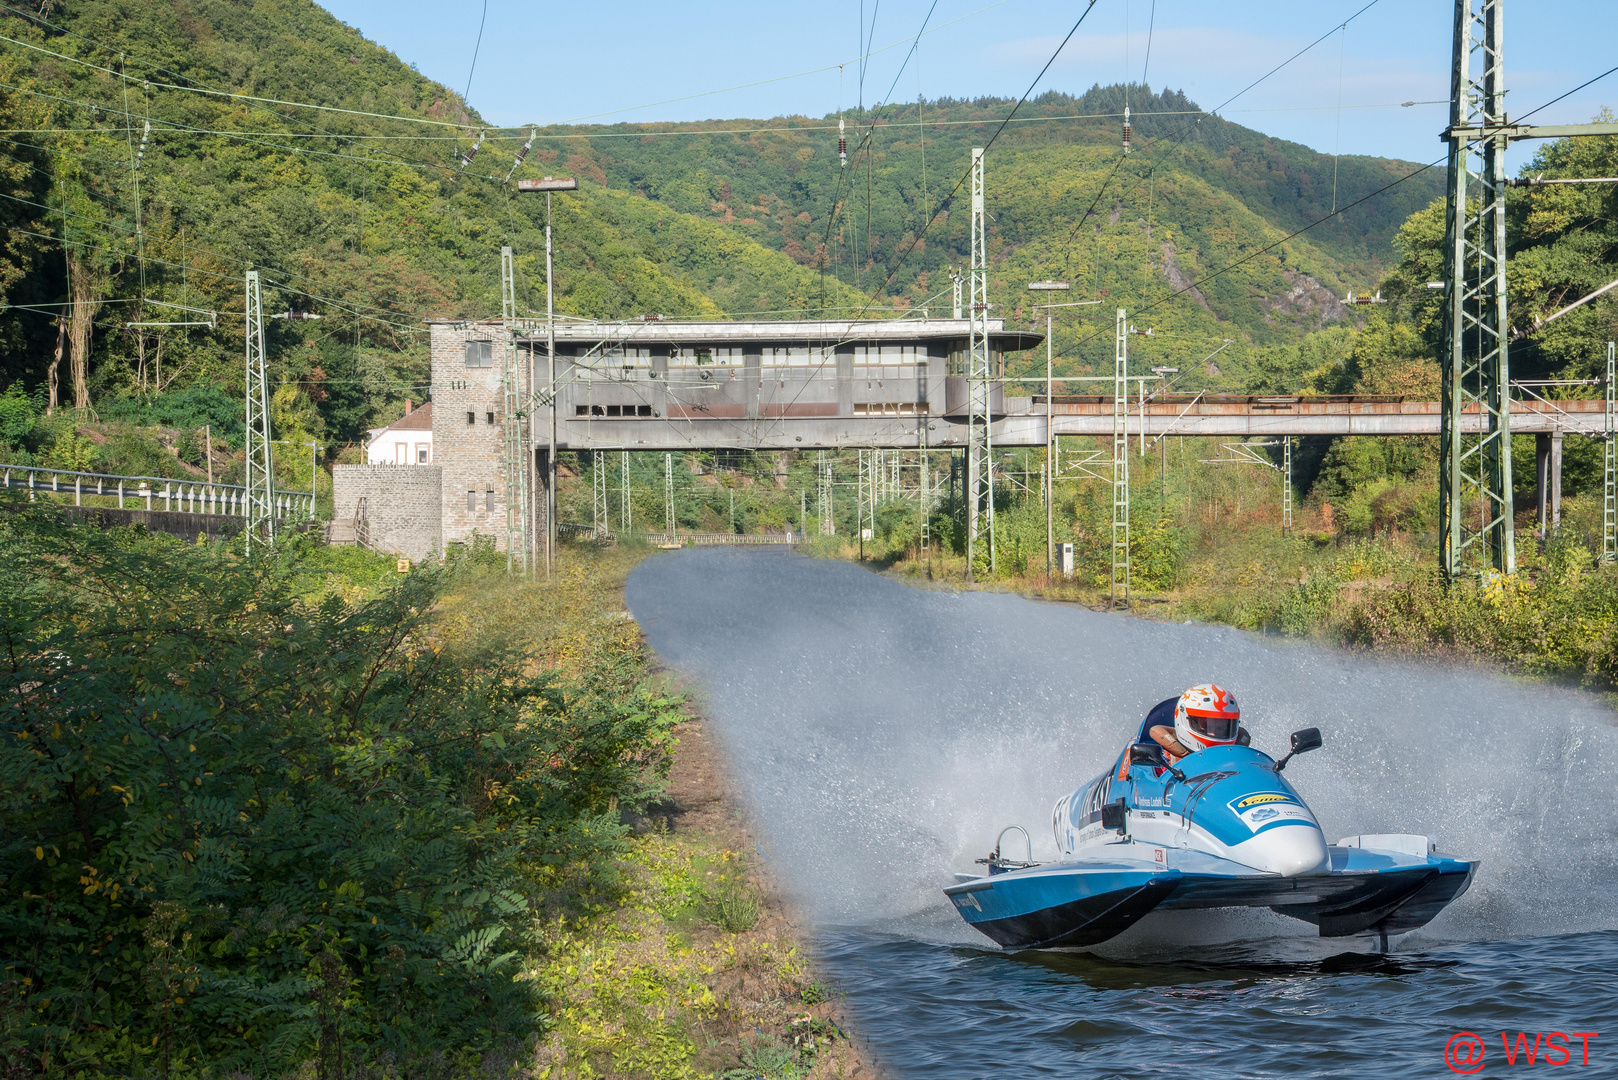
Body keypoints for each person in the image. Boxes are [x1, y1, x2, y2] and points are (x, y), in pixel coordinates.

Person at [1149, 683, 1241, 763]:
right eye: (1205, 726)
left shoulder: (1240, 759)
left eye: (1221, 729)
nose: (1213, 733)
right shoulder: (1162, 761)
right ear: (1184, 720)